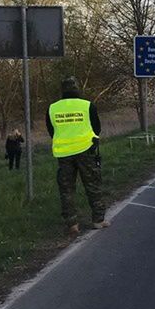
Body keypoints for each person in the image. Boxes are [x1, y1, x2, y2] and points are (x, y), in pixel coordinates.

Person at [46, 76, 107, 235]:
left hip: (64, 153)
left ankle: (72, 224)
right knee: (92, 185)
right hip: (86, 150)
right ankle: (98, 220)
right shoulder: (87, 106)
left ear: (62, 90)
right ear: (77, 88)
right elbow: (96, 128)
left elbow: (51, 131)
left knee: (66, 189)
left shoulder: (53, 108)